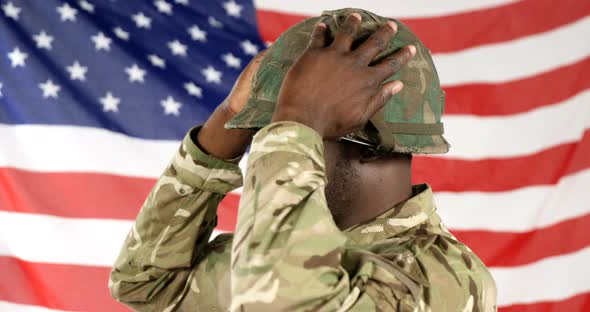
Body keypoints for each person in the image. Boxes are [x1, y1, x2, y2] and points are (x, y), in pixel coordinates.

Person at [109, 8, 497, 312]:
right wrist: (229, 118)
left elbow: (279, 301)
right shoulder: (269, 253)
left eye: (281, 134)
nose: (264, 148)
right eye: (266, 134)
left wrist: (297, 119)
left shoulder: (442, 279)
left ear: (364, 144)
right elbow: (145, 282)